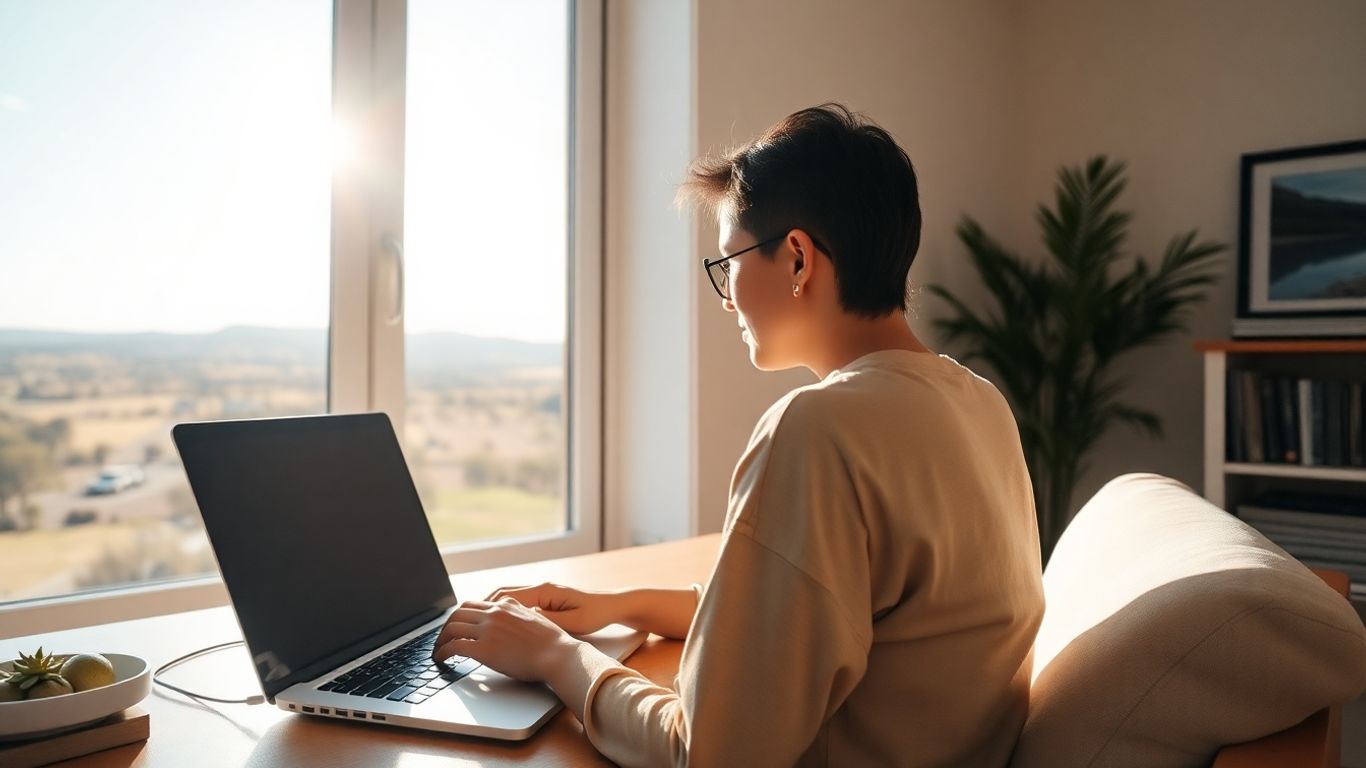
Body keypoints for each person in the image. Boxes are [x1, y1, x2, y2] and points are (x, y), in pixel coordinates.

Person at [432, 104, 1044, 767]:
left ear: (799, 259)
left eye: (730, 262)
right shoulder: (980, 404)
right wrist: (620, 605)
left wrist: (554, 657)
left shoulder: (820, 430)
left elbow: (706, 754)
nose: (727, 299)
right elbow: (828, 619)